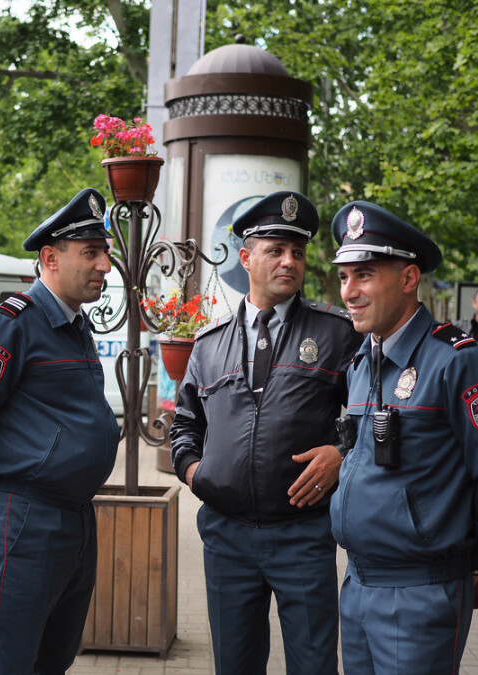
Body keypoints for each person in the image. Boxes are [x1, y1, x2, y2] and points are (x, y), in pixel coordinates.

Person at [330, 201, 478, 674]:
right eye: (343, 277)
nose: (349, 292)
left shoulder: (460, 361)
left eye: (365, 274)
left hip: (419, 594)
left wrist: (466, 563)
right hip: (357, 584)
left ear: (408, 278)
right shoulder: (362, 360)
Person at [169, 190, 361, 674]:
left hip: (303, 534)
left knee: (314, 665)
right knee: (234, 666)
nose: (289, 261)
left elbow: (374, 415)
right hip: (227, 538)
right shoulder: (210, 345)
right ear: (246, 258)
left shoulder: (338, 334)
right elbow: (185, 427)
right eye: (275, 250)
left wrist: (342, 453)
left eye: (297, 251)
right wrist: (196, 474)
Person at [0, 187, 121, 675]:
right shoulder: (11, 325)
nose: (105, 264)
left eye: (104, 252)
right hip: (27, 518)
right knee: (9, 662)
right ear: (50, 258)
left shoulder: (74, 324)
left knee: (53, 659)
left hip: (73, 517)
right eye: (91, 253)